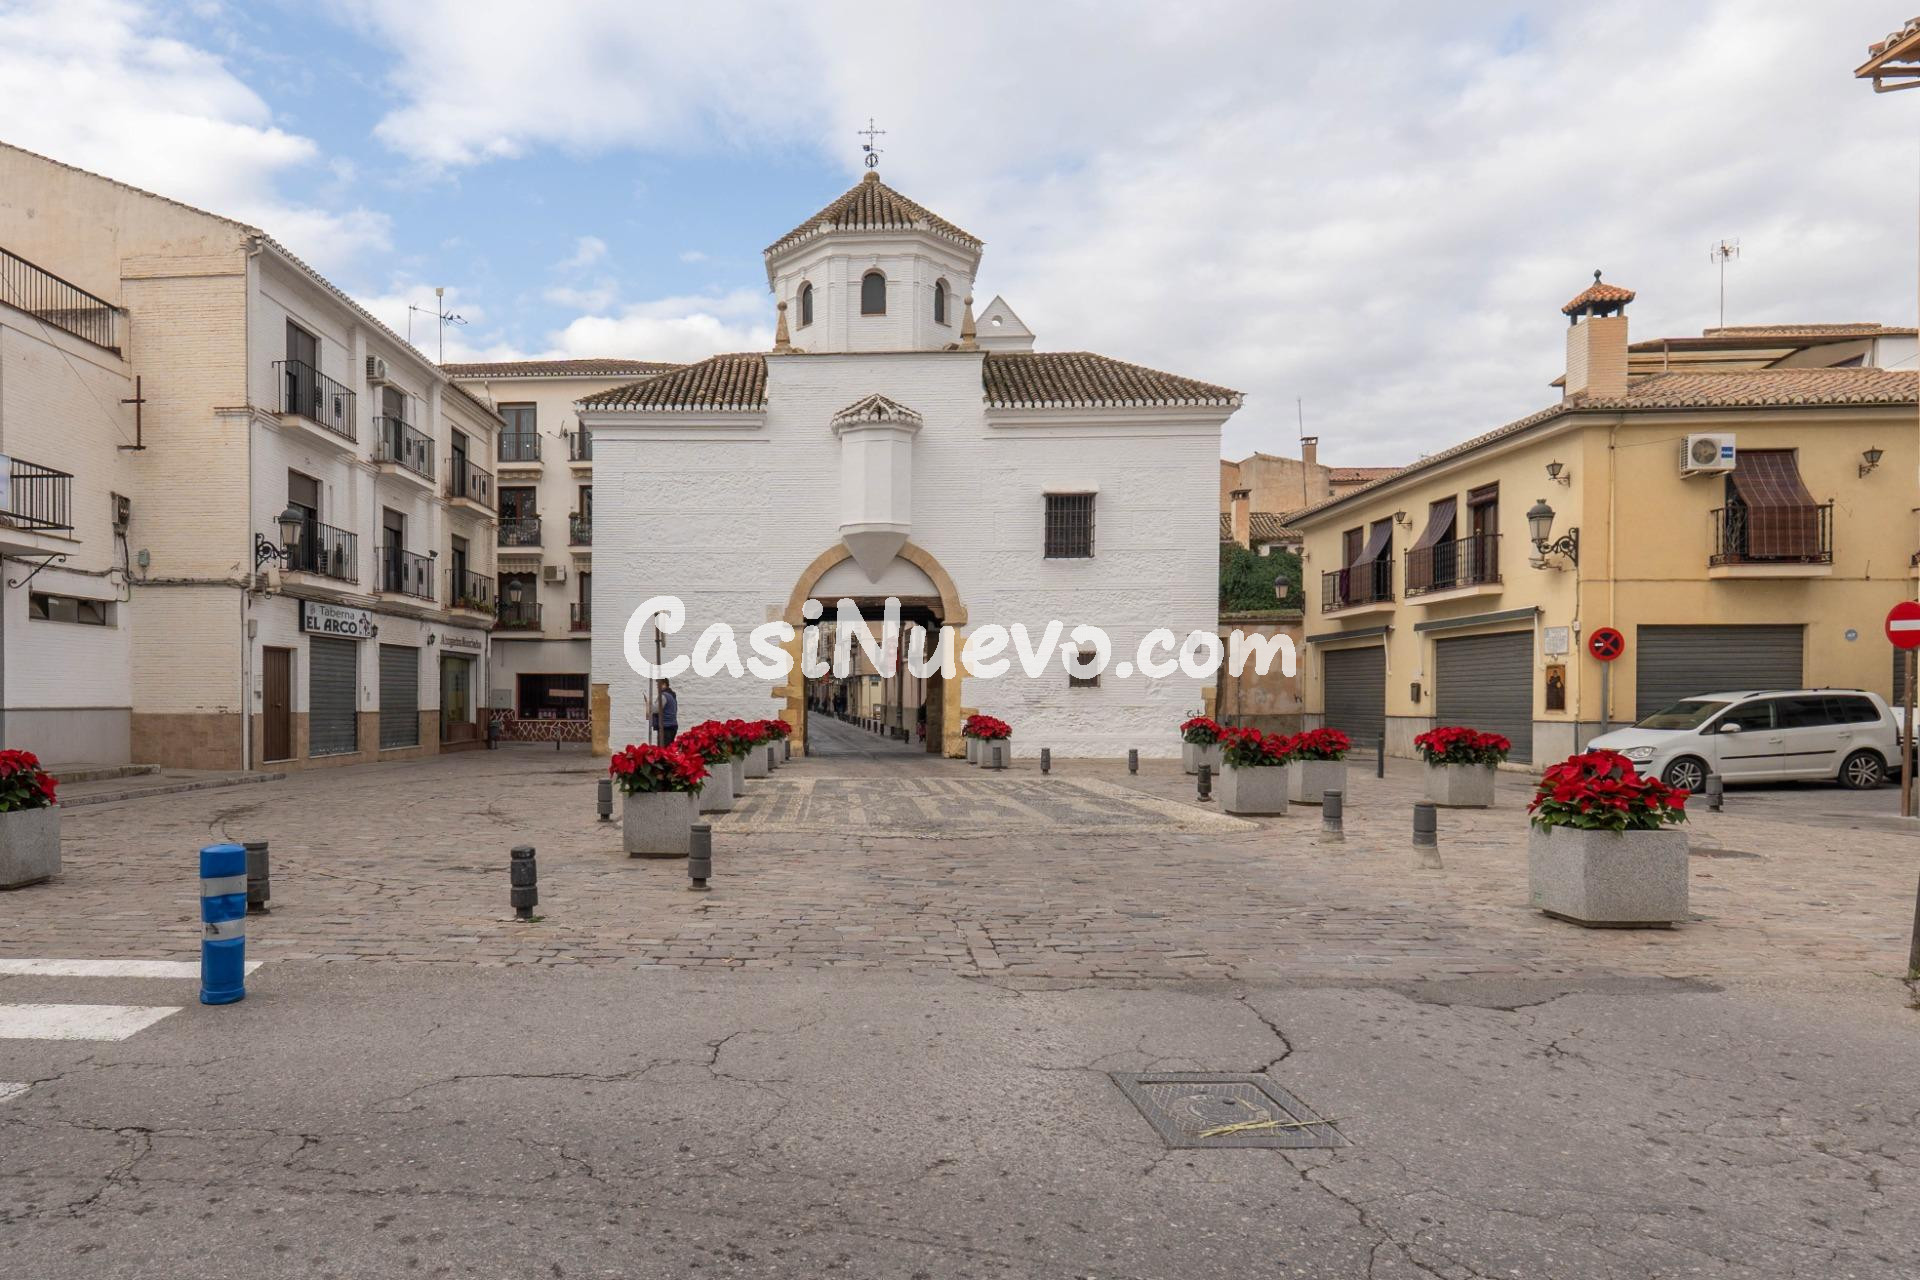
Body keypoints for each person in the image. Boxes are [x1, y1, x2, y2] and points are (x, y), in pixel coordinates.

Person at [651, 678, 678, 746]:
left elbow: (655, 710)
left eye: (658, 684)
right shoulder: (671, 695)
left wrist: (649, 704)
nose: (657, 687)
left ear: (664, 684)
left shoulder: (663, 695)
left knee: (662, 751)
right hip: (672, 726)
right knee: (669, 751)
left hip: (665, 728)